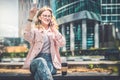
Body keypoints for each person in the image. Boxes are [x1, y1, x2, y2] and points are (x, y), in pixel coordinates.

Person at [22, 6, 66, 80]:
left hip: (50, 62)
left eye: (49, 16)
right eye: (45, 16)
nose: (47, 18)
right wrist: (30, 17)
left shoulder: (54, 32)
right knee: (41, 61)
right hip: (36, 61)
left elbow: (62, 43)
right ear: (39, 17)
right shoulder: (35, 31)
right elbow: (27, 36)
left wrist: (54, 30)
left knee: (40, 73)